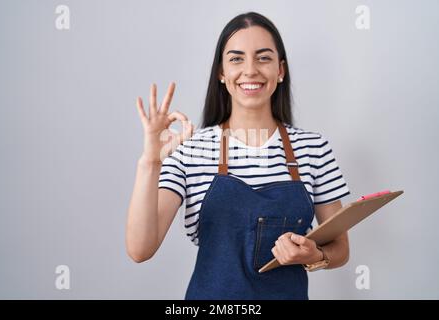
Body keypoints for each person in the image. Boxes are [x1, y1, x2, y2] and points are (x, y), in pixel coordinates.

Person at [126, 12, 350, 300]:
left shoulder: (314, 148)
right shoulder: (190, 149)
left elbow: (341, 248)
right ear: (221, 72)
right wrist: (150, 162)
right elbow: (140, 249)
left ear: (280, 70)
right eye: (236, 59)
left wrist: (314, 255)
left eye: (263, 58)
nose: (250, 70)